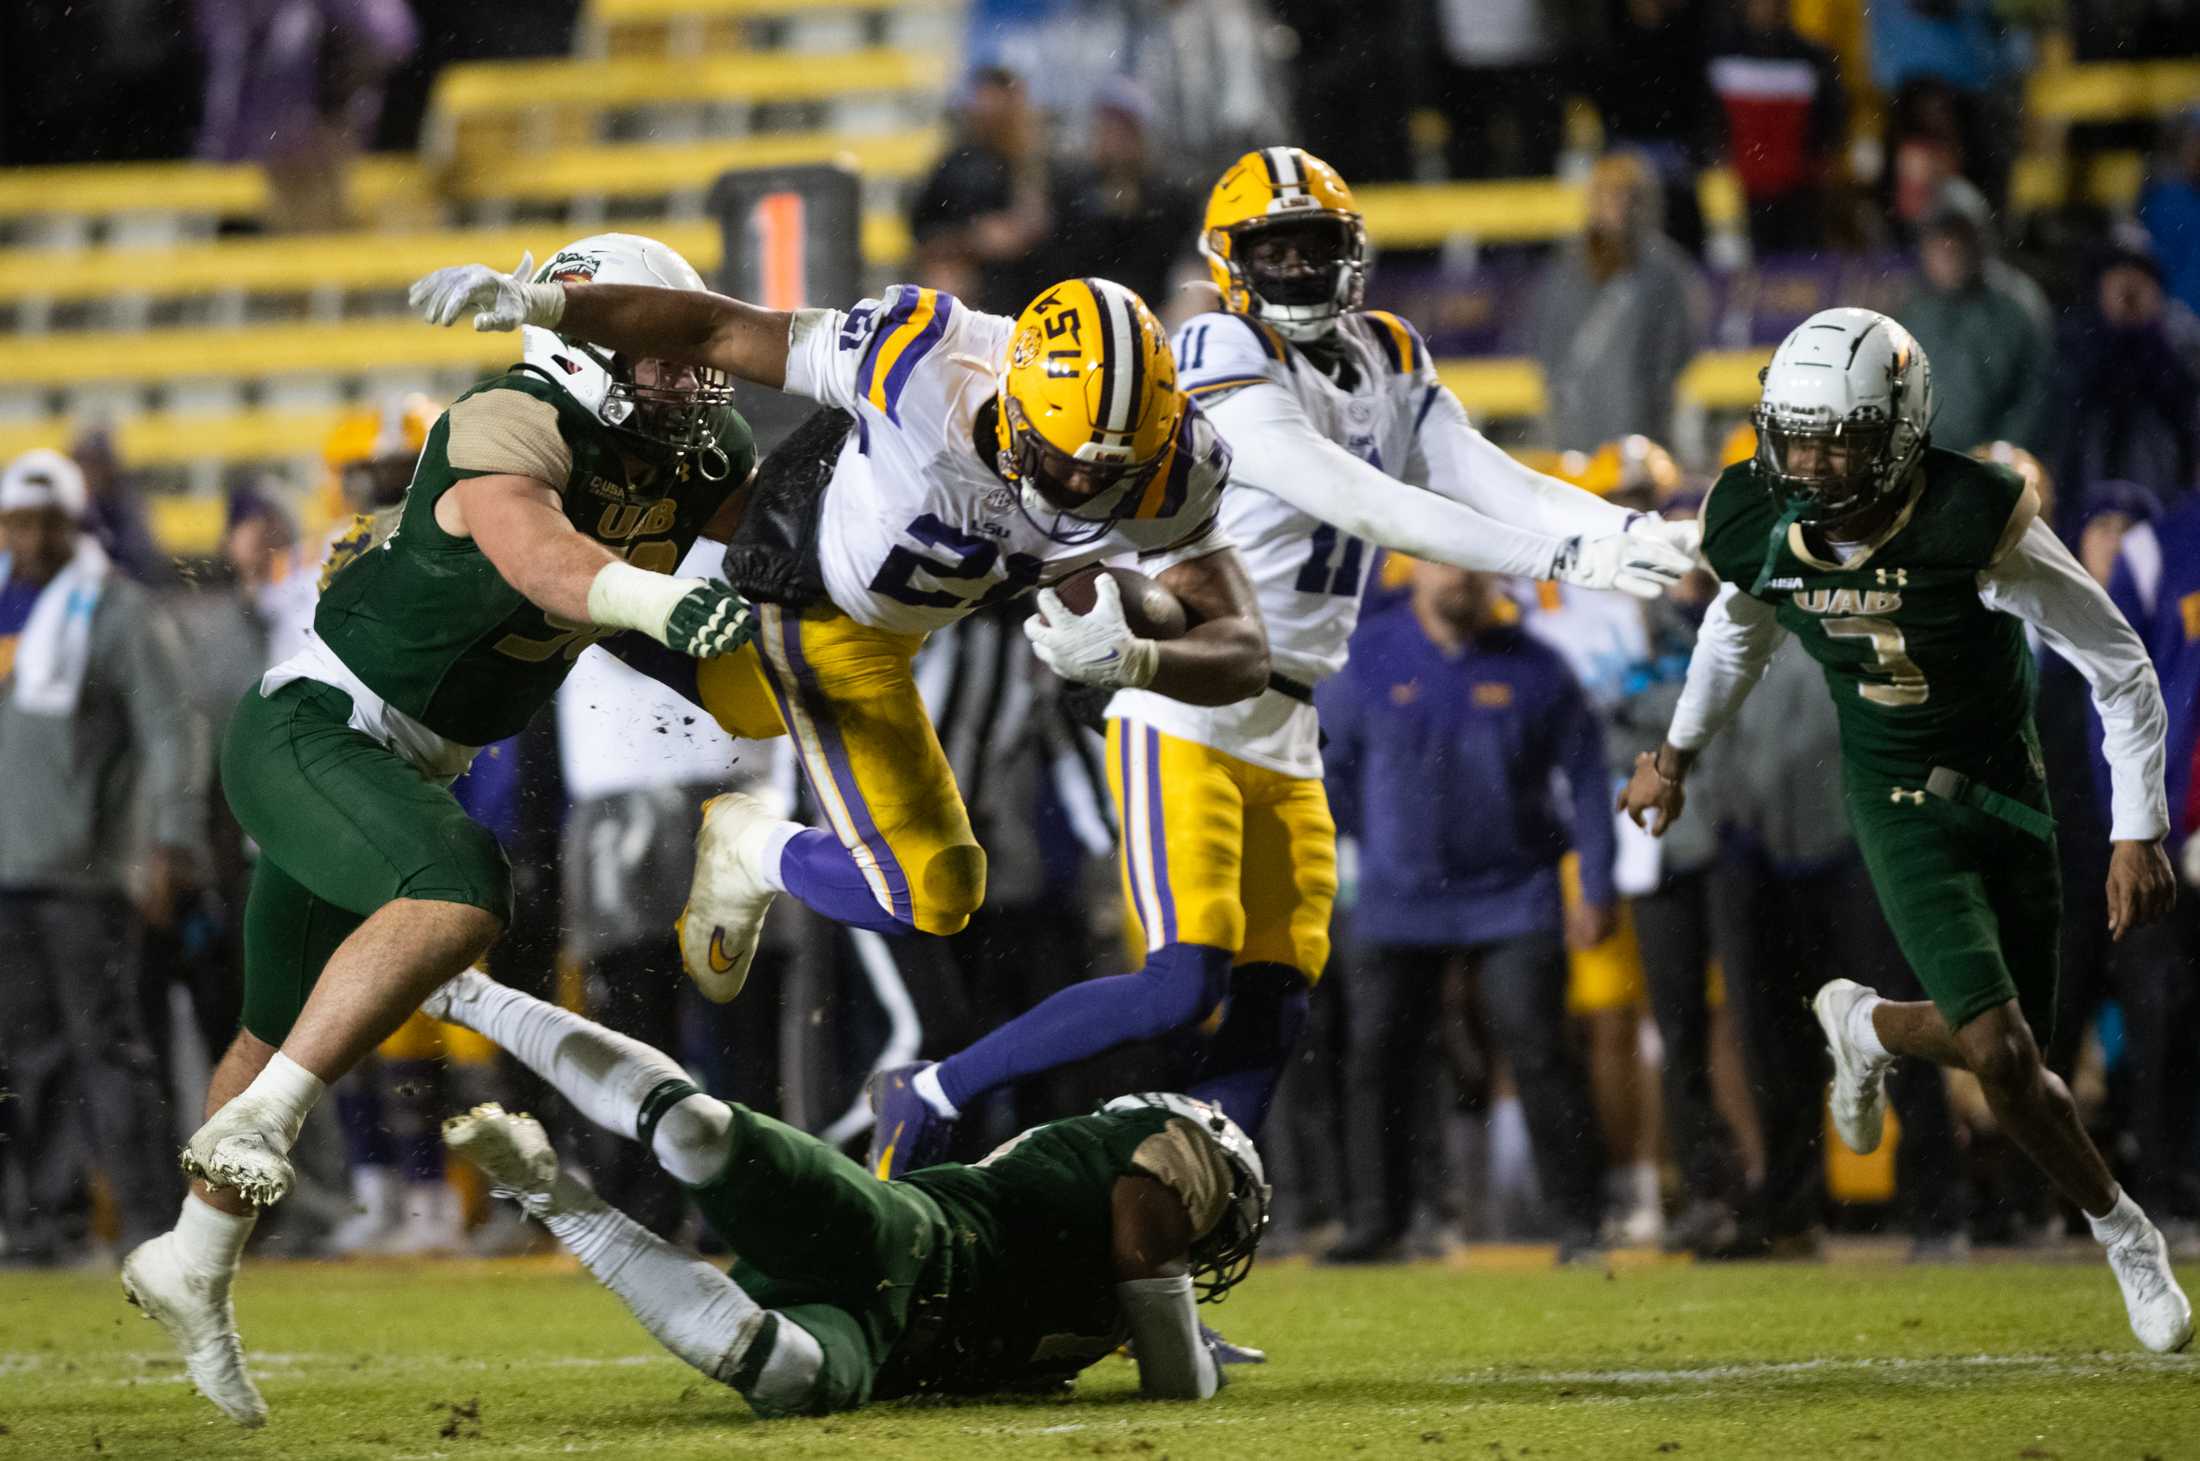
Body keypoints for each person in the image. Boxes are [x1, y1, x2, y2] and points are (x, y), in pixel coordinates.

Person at [859, 148, 1696, 1175]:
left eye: (1314, 245)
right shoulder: (1214, 344)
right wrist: (1568, 555)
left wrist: (1617, 529)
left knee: (1275, 1006)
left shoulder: (1387, 350)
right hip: (1185, 689)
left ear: (1351, 253)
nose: (1296, 266)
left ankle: (1167, 1246)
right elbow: (1357, 498)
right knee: (1178, 984)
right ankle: (935, 1087)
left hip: (1294, 716)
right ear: (1230, 260)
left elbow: (1485, 479)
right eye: (1274, 246)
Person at [123, 233, 762, 1428]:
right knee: (463, 882)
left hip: (409, 749)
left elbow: (794, 533)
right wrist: (670, 602)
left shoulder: (703, 443)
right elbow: (552, 563)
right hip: (320, 729)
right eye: (656, 343)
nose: (688, 366)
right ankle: (269, 1126)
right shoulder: (505, 419)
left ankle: (191, 1264)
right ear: (578, 351)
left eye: (689, 338)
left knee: (271, 1030)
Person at [1620, 307, 2193, 1351]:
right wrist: (1676, 755)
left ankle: (1867, 1024)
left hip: (2010, 792)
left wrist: (2134, 829)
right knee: (1999, 1042)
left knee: (2015, 1066)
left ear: (1899, 428)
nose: (1813, 461)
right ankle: (2126, 1236)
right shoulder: (1754, 516)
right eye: (1794, 436)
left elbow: (2118, 665)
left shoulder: (1972, 515)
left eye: (1840, 437)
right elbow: (1733, 629)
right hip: (1893, 798)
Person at [424, 967, 1266, 1413]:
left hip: (881, 1335)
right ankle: (467, 988)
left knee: (779, 1371)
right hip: (902, 1237)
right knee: (701, 1132)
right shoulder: (1154, 1159)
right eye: (1229, 1203)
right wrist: (1197, 1354)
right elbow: (1173, 1376)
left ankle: (549, 1195)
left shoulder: (1110, 1279)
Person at [1319, 563, 1614, 1262]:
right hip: (1400, 895)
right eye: (1446, 555)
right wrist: (1383, 843)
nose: (1461, 574)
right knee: (1379, 1057)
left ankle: (1579, 1223)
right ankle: (1378, 1223)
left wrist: (1594, 883)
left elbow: (1588, 774)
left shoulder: (1537, 665)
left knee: (1541, 1049)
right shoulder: (1365, 654)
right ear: (1416, 564)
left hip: (1512, 893)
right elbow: (1331, 769)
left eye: (1475, 559)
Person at [0, 449, 204, 1266]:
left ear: (77, 522)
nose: (35, 536)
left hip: (90, 869)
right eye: (20, 519)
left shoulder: (117, 610)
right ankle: (50, 1224)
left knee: (109, 1052)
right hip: (8, 870)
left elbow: (171, 729)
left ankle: (156, 1222)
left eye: (51, 520)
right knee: (29, 1058)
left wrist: (172, 837)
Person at [1529, 151, 1706, 449]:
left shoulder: (1663, 269)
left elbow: (1679, 344)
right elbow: (1546, 340)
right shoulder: (1567, 268)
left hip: (1642, 424)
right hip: (1578, 420)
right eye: (1607, 196)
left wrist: (1654, 391)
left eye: (1625, 196)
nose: (1616, 207)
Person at [1900, 181, 2050, 454]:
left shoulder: (2016, 304)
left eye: (1959, 236)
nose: (1949, 248)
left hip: (1996, 472)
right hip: (1927, 470)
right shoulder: (1912, 310)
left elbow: (2035, 396)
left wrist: (1997, 457)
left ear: (1980, 240)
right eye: (1939, 238)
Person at [1705, 0, 1846, 255]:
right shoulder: (1719, 54)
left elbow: (1831, 122)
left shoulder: (1813, 57)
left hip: (1802, 193)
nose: (1766, 7)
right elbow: (1707, 121)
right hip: (1739, 193)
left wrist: (1823, 165)